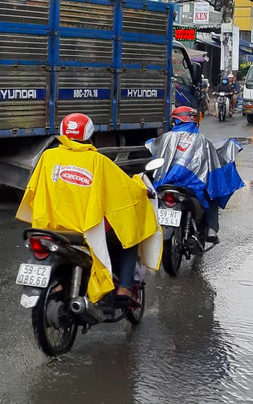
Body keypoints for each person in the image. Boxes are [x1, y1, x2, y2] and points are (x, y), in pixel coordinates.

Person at [17, 113, 161, 305]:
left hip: (50, 227)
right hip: (85, 229)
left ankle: (59, 284)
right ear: (89, 134)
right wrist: (142, 187)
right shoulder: (98, 161)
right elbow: (125, 191)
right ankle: (125, 288)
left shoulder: (48, 157)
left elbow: (34, 190)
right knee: (129, 237)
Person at [149, 106, 244, 244]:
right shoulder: (203, 140)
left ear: (176, 121)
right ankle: (211, 229)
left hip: (165, 184)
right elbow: (213, 167)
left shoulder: (165, 138)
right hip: (193, 187)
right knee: (213, 194)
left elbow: (154, 154)